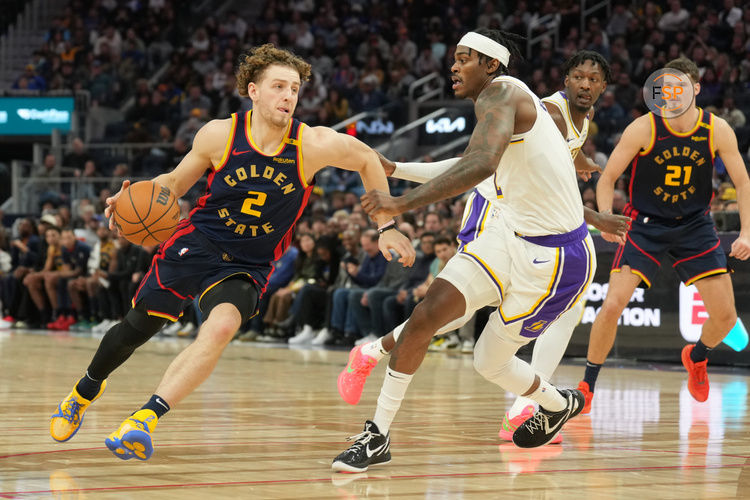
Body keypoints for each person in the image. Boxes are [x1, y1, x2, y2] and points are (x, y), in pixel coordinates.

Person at [49, 43, 415, 461]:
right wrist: (136, 196)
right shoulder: (219, 134)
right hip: (197, 244)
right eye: (278, 86)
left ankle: (143, 420)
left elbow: (368, 160)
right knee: (135, 329)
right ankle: (84, 391)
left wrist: (386, 225)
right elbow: (174, 183)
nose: (288, 96)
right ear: (253, 91)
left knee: (220, 329)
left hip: (248, 264)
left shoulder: (313, 144)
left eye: (294, 89)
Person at [332, 28, 614, 473]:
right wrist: (399, 171)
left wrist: (400, 203)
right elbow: (476, 163)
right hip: (507, 233)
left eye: (464, 58)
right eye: (455, 58)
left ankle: (556, 403)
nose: (453, 65)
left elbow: (479, 165)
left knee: (488, 361)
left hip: (557, 257)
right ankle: (378, 435)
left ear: (492, 66)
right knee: (428, 315)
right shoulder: (506, 104)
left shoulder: (501, 95)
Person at [577, 57, 750, 412]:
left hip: (695, 225)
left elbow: (743, 182)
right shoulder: (644, 127)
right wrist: (607, 217)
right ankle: (586, 386)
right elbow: (607, 178)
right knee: (611, 306)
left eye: (680, 87)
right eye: (665, 88)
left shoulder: (717, 129)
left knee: (726, 319)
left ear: (696, 89)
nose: (671, 94)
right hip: (644, 225)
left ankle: (697, 356)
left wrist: (747, 231)